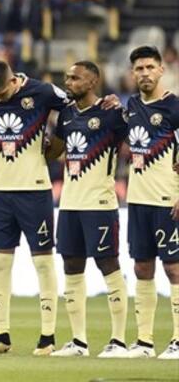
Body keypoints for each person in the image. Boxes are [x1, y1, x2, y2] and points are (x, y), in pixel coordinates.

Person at [0, 60, 71, 356]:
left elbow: (72, 108)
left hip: (35, 191)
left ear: (13, 82)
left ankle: (48, 337)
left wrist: (56, 145)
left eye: (1, 94)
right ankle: (1, 336)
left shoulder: (41, 91)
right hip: (1, 192)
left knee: (42, 262)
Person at [45, 61, 130, 357]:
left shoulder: (111, 113)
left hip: (100, 203)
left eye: (75, 78)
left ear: (93, 82)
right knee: (71, 266)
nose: (69, 82)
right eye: (67, 76)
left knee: (108, 264)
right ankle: (78, 341)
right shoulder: (66, 114)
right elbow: (54, 150)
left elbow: (139, 137)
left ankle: (118, 340)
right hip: (69, 204)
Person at [122, 46, 179, 359]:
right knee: (142, 267)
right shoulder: (129, 107)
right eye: (138, 68)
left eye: (149, 67)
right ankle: (144, 342)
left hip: (167, 200)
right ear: (132, 74)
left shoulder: (174, 108)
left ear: (161, 70)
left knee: (174, 269)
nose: (144, 73)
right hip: (138, 201)